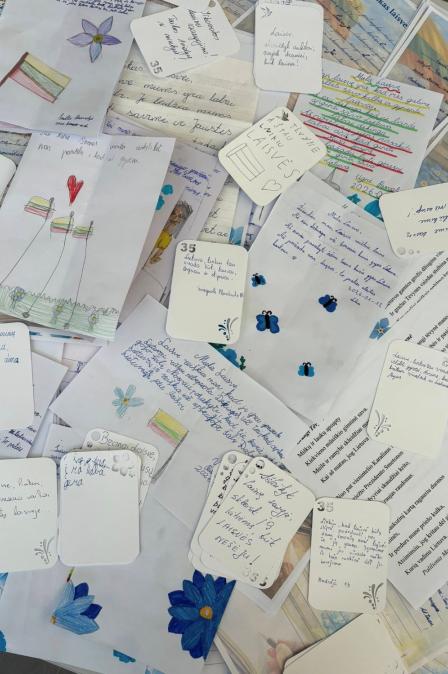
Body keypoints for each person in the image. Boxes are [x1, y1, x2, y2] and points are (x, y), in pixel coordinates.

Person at [148, 200, 193, 264]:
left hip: (168, 235)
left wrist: (176, 217)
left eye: (180, 214)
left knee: (161, 248)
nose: (178, 212)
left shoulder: (179, 219)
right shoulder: (171, 216)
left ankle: (154, 259)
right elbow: (171, 219)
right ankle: (150, 257)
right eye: (177, 210)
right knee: (155, 246)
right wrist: (174, 217)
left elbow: (177, 221)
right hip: (163, 233)